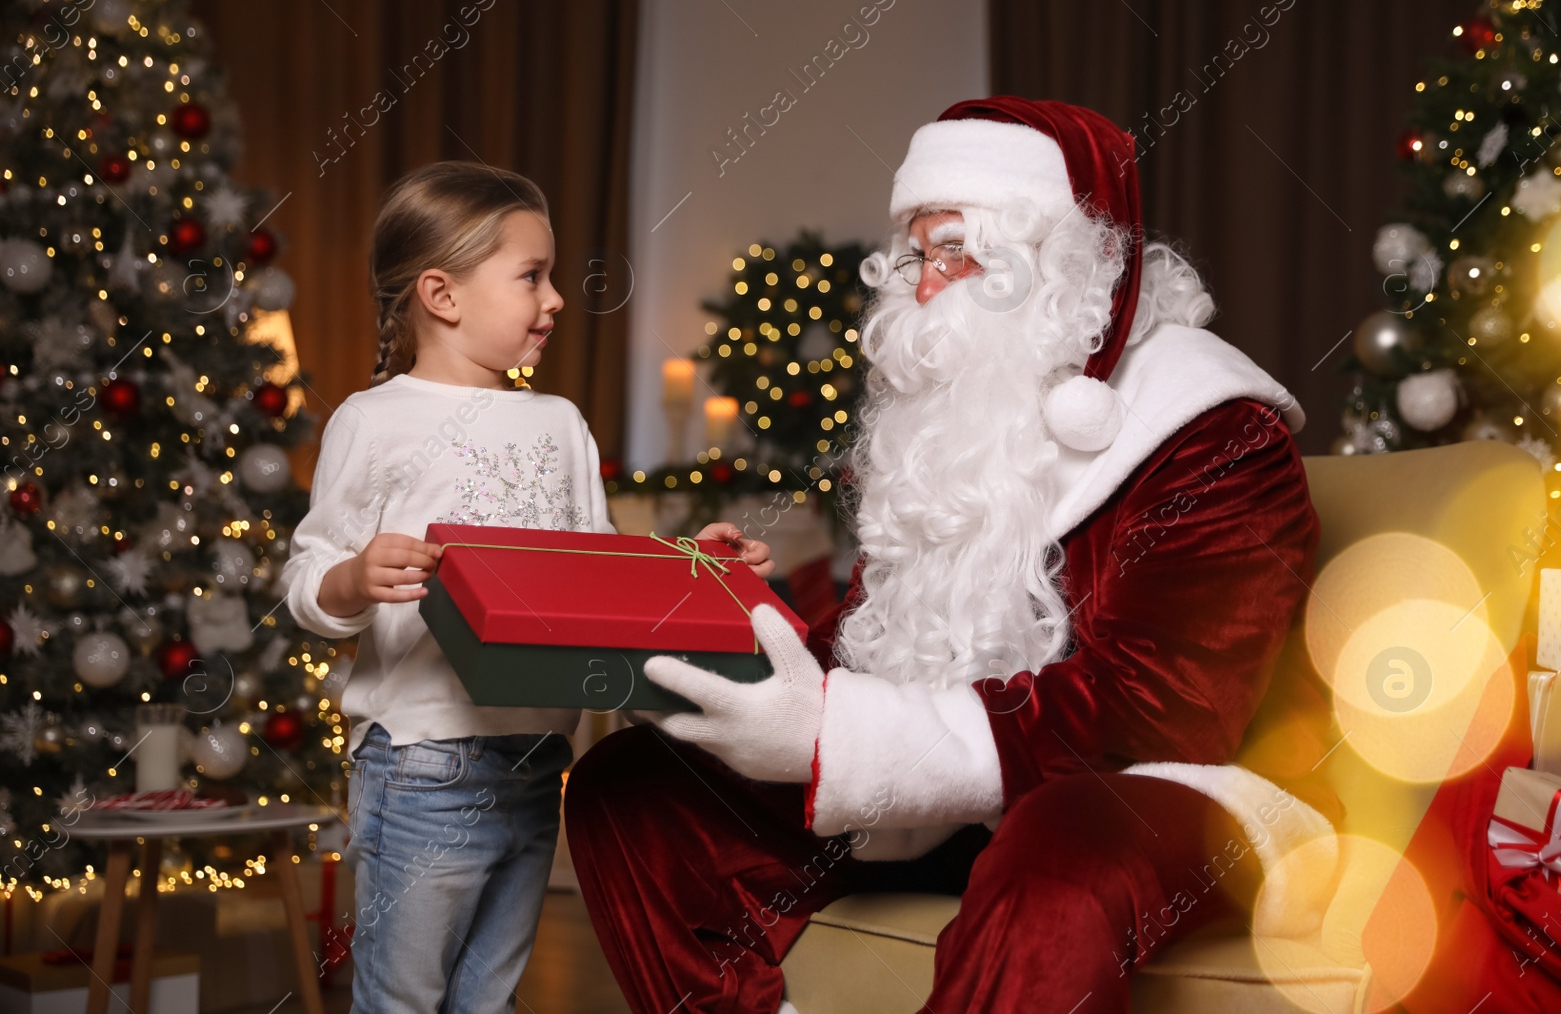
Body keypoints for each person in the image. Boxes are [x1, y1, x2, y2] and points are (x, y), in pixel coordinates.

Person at [564, 98, 1340, 1013]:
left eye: (954, 252)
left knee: (1063, 842)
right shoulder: (954, 424)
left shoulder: (1214, 433)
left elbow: (1160, 717)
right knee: (633, 788)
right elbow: (877, 650)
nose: (922, 286)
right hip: (946, 796)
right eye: (913, 254)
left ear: (1055, 262)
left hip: (1174, 796)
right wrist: (732, 630)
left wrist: (833, 737)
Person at [281, 160, 773, 1014]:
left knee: (490, 1001)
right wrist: (355, 578)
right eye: (532, 277)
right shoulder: (373, 419)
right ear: (442, 294)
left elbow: (597, 570)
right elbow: (306, 576)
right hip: (423, 761)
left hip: (540, 761)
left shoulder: (560, 422)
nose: (554, 299)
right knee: (403, 999)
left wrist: (690, 559)